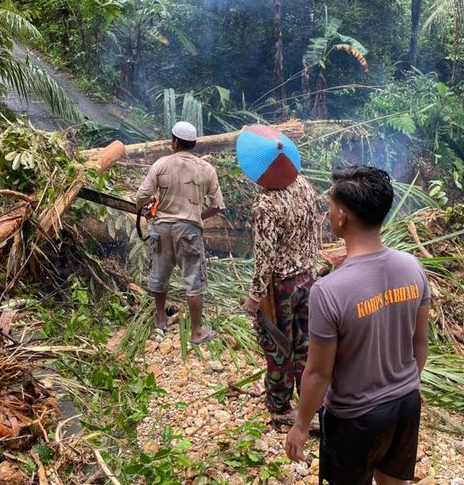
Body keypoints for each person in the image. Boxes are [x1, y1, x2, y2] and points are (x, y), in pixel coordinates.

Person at [284, 166, 430, 484]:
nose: (330, 213)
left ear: (343, 217)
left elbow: (319, 373)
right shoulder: (412, 266)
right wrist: (404, 385)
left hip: (354, 418)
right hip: (406, 403)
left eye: (331, 207)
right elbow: (420, 343)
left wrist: (301, 424)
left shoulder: (328, 290)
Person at [236, 124, 319, 416]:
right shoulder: (305, 186)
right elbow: (314, 230)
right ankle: (312, 403)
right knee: (306, 345)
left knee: (279, 345)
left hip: (281, 288)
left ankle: (280, 405)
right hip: (309, 279)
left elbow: (264, 257)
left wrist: (255, 297)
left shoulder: (265, 204)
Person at [136, 121, 225, 344]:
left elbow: (141, 196)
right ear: (193, 144)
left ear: (174, 142)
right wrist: (197, 216)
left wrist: (149, 212)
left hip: (162, 227)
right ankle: (196, 332)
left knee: (159, 273)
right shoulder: (206, 169)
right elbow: (217, 205)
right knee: (194, 279)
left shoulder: (161, 164)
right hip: (189, 230)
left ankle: (160, 321)